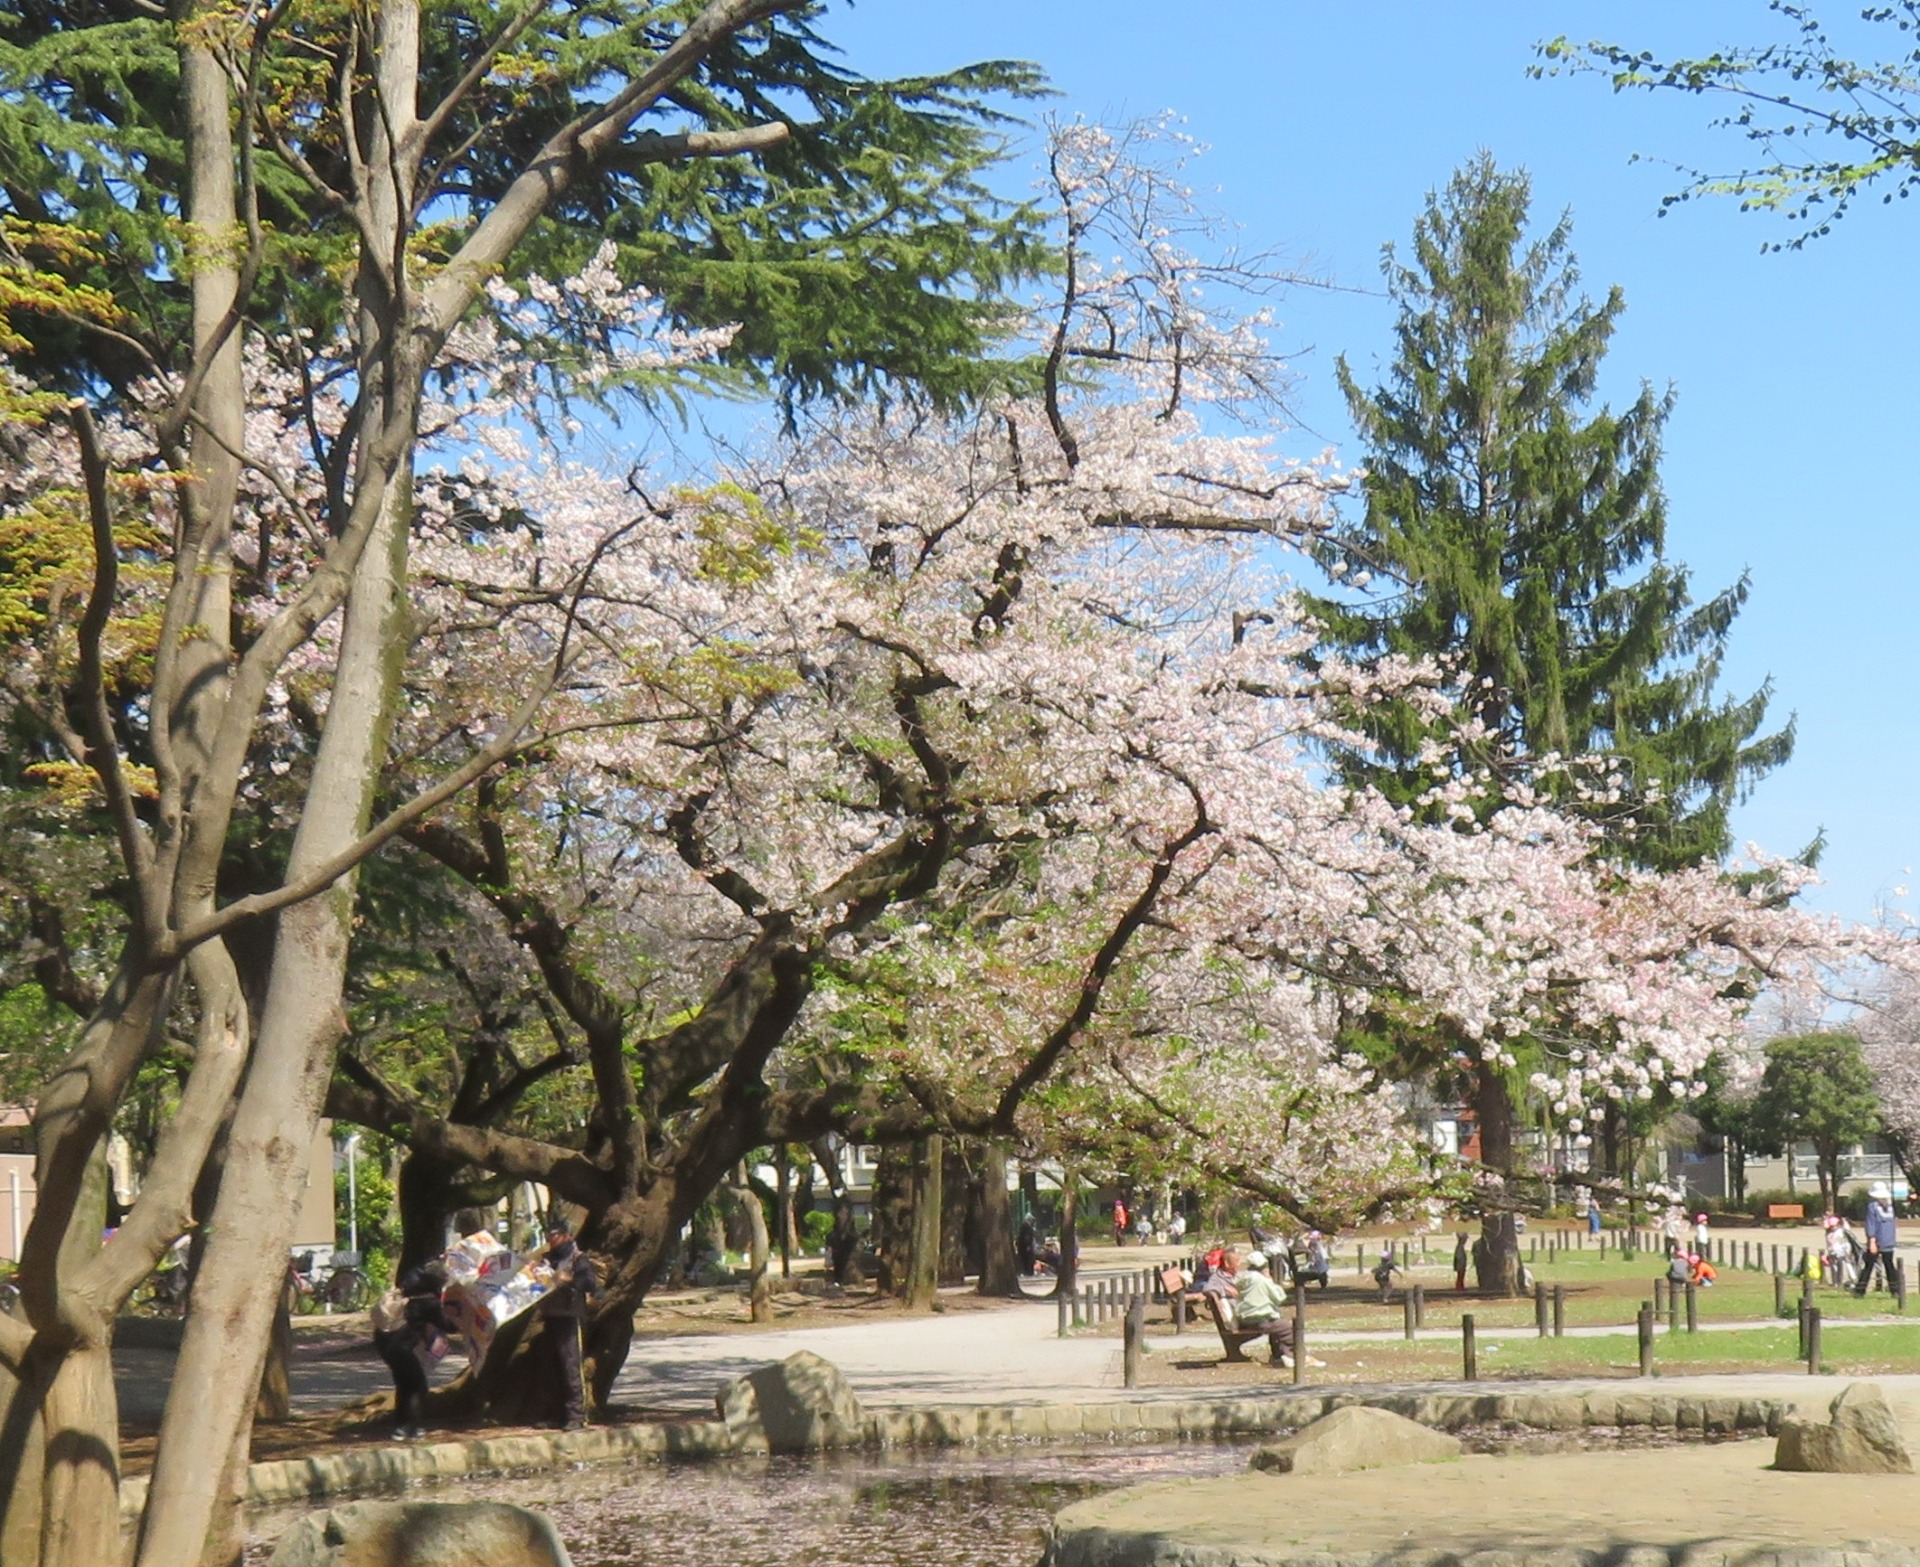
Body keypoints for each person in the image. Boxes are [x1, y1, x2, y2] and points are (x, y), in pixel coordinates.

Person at [371, 1261, 451, 1440]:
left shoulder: (406, 1295)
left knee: (404, 1384)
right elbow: (448, 1326)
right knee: (418, 1386)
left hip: (385, 1344)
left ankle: (400, 1427)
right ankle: (410, 1428)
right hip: (403, 1348)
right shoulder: (429, 1303)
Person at [539, 1222, 599, 1429]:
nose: (551, 1239)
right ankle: (554, 1415)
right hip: (550, 1316)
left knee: (571, 1367)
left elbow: (589, 1283)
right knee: (550, 1367)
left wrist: (568, 1279)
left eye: (555, 1235)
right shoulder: (546, 1259)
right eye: (548, 1235)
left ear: (566, 1236)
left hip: (570, 1317)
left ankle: (576, 1416)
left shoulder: (578, 1258)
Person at [1233, 1251, 1311, 1368]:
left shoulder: (1243, 1278)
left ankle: (1280, 1356)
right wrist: (1270, 1279)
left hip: (1245, 1319)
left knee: (1277, 1326)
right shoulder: (1262, 1280)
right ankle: (1300, 1356)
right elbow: (1280, 1297)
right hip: (1260, 1319)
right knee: (1287, 1327)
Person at [1857, 1183, 1899, 1297]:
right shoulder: (1891, 1207)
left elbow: (1871, 1224)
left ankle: (1860, 1290)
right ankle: (1895, 1290)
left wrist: (1871, 1241)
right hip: (1889, 1240)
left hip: (1877, 1240)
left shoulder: (1873, 1207)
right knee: (1889, 1265)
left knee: (1868, 1265)